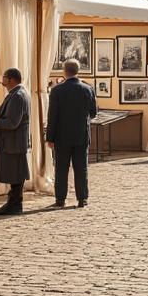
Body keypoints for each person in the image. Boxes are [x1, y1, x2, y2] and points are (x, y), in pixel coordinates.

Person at [46, 59, 97, 209]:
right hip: (81, 135)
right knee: (81, 168)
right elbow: (93, 112)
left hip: (62, 137)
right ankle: (82, 199)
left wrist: (50, 137)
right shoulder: (88, 89)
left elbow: (52, 116)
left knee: (61, 169)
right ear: (78, 71)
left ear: (64, 71)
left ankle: (60, 199)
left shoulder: (57, 90)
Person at [0, 67, 30, 215]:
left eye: (3, 77)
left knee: (15, 173)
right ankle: (14, 203)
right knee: (14, 173)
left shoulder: (17, 95)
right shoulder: (16, 93)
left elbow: (12, 123)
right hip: (13, 142)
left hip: (13, 142)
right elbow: (10, 116)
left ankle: (15, 204)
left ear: (10, 79)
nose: (1, 79)